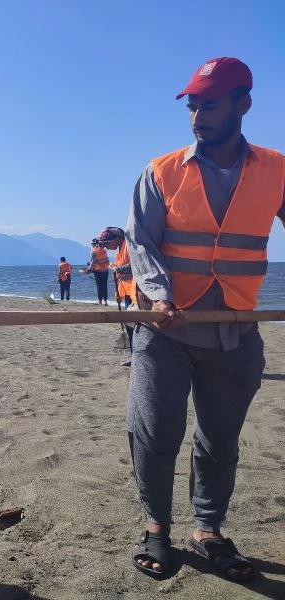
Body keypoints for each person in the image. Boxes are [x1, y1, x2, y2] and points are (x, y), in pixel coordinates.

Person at [125, 57, 284, 581]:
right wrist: (156, 295)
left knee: (219, 438)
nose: (197, 116)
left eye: (209, 104)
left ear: (244, 104)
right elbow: (141, 242)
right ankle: (156, 526)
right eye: (192, 105)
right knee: (155, 432)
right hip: (165, 331)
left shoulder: (277, 170)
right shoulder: (161, 170)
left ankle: (208, 528)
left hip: (235, 332)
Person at [99, 227, 135, 366]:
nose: (107, 247)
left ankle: (138, 356)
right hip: (125, 290)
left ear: (116, 239)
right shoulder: (120, 249)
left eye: (107, 244)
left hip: (135, 292)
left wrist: (118, 269)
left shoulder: (129, 246)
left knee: (136, 325)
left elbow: (136, 265)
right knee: (129, 325)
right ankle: (134, 356)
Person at [84, 238, 110, 305]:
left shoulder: (93, 251)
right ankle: (106, 301)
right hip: (106, 270)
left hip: (98, 271)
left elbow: (93, 262)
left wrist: (88, 269)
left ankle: (100, 301)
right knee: (104, 286)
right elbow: (100, 259)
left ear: (93, 244)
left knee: (99, 286)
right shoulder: (104, 250)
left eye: (92, 244)